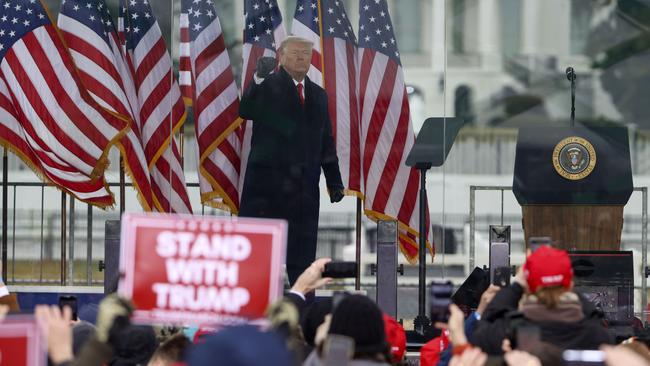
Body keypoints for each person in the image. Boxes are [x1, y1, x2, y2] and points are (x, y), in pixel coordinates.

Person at [239, 35, 345, 285]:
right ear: (282, 57)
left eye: (306, 54)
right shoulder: (267, 85)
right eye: (295, 53)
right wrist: (257, 78)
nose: (301, 58)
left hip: (303, 191)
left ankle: (303, 313)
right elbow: (246, 110)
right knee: (261, 258)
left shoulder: (318, 95)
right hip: (267, 191)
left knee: (302, 259)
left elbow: (325, 141)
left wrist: (334, 180)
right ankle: (258, 314)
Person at [472, 246, 614, 355]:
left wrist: (517, 287)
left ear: (527, 285)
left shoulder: (511, 331)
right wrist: (564, 282)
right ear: (570, 284)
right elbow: (595, 319)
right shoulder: (594, 335)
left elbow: (482, 331)